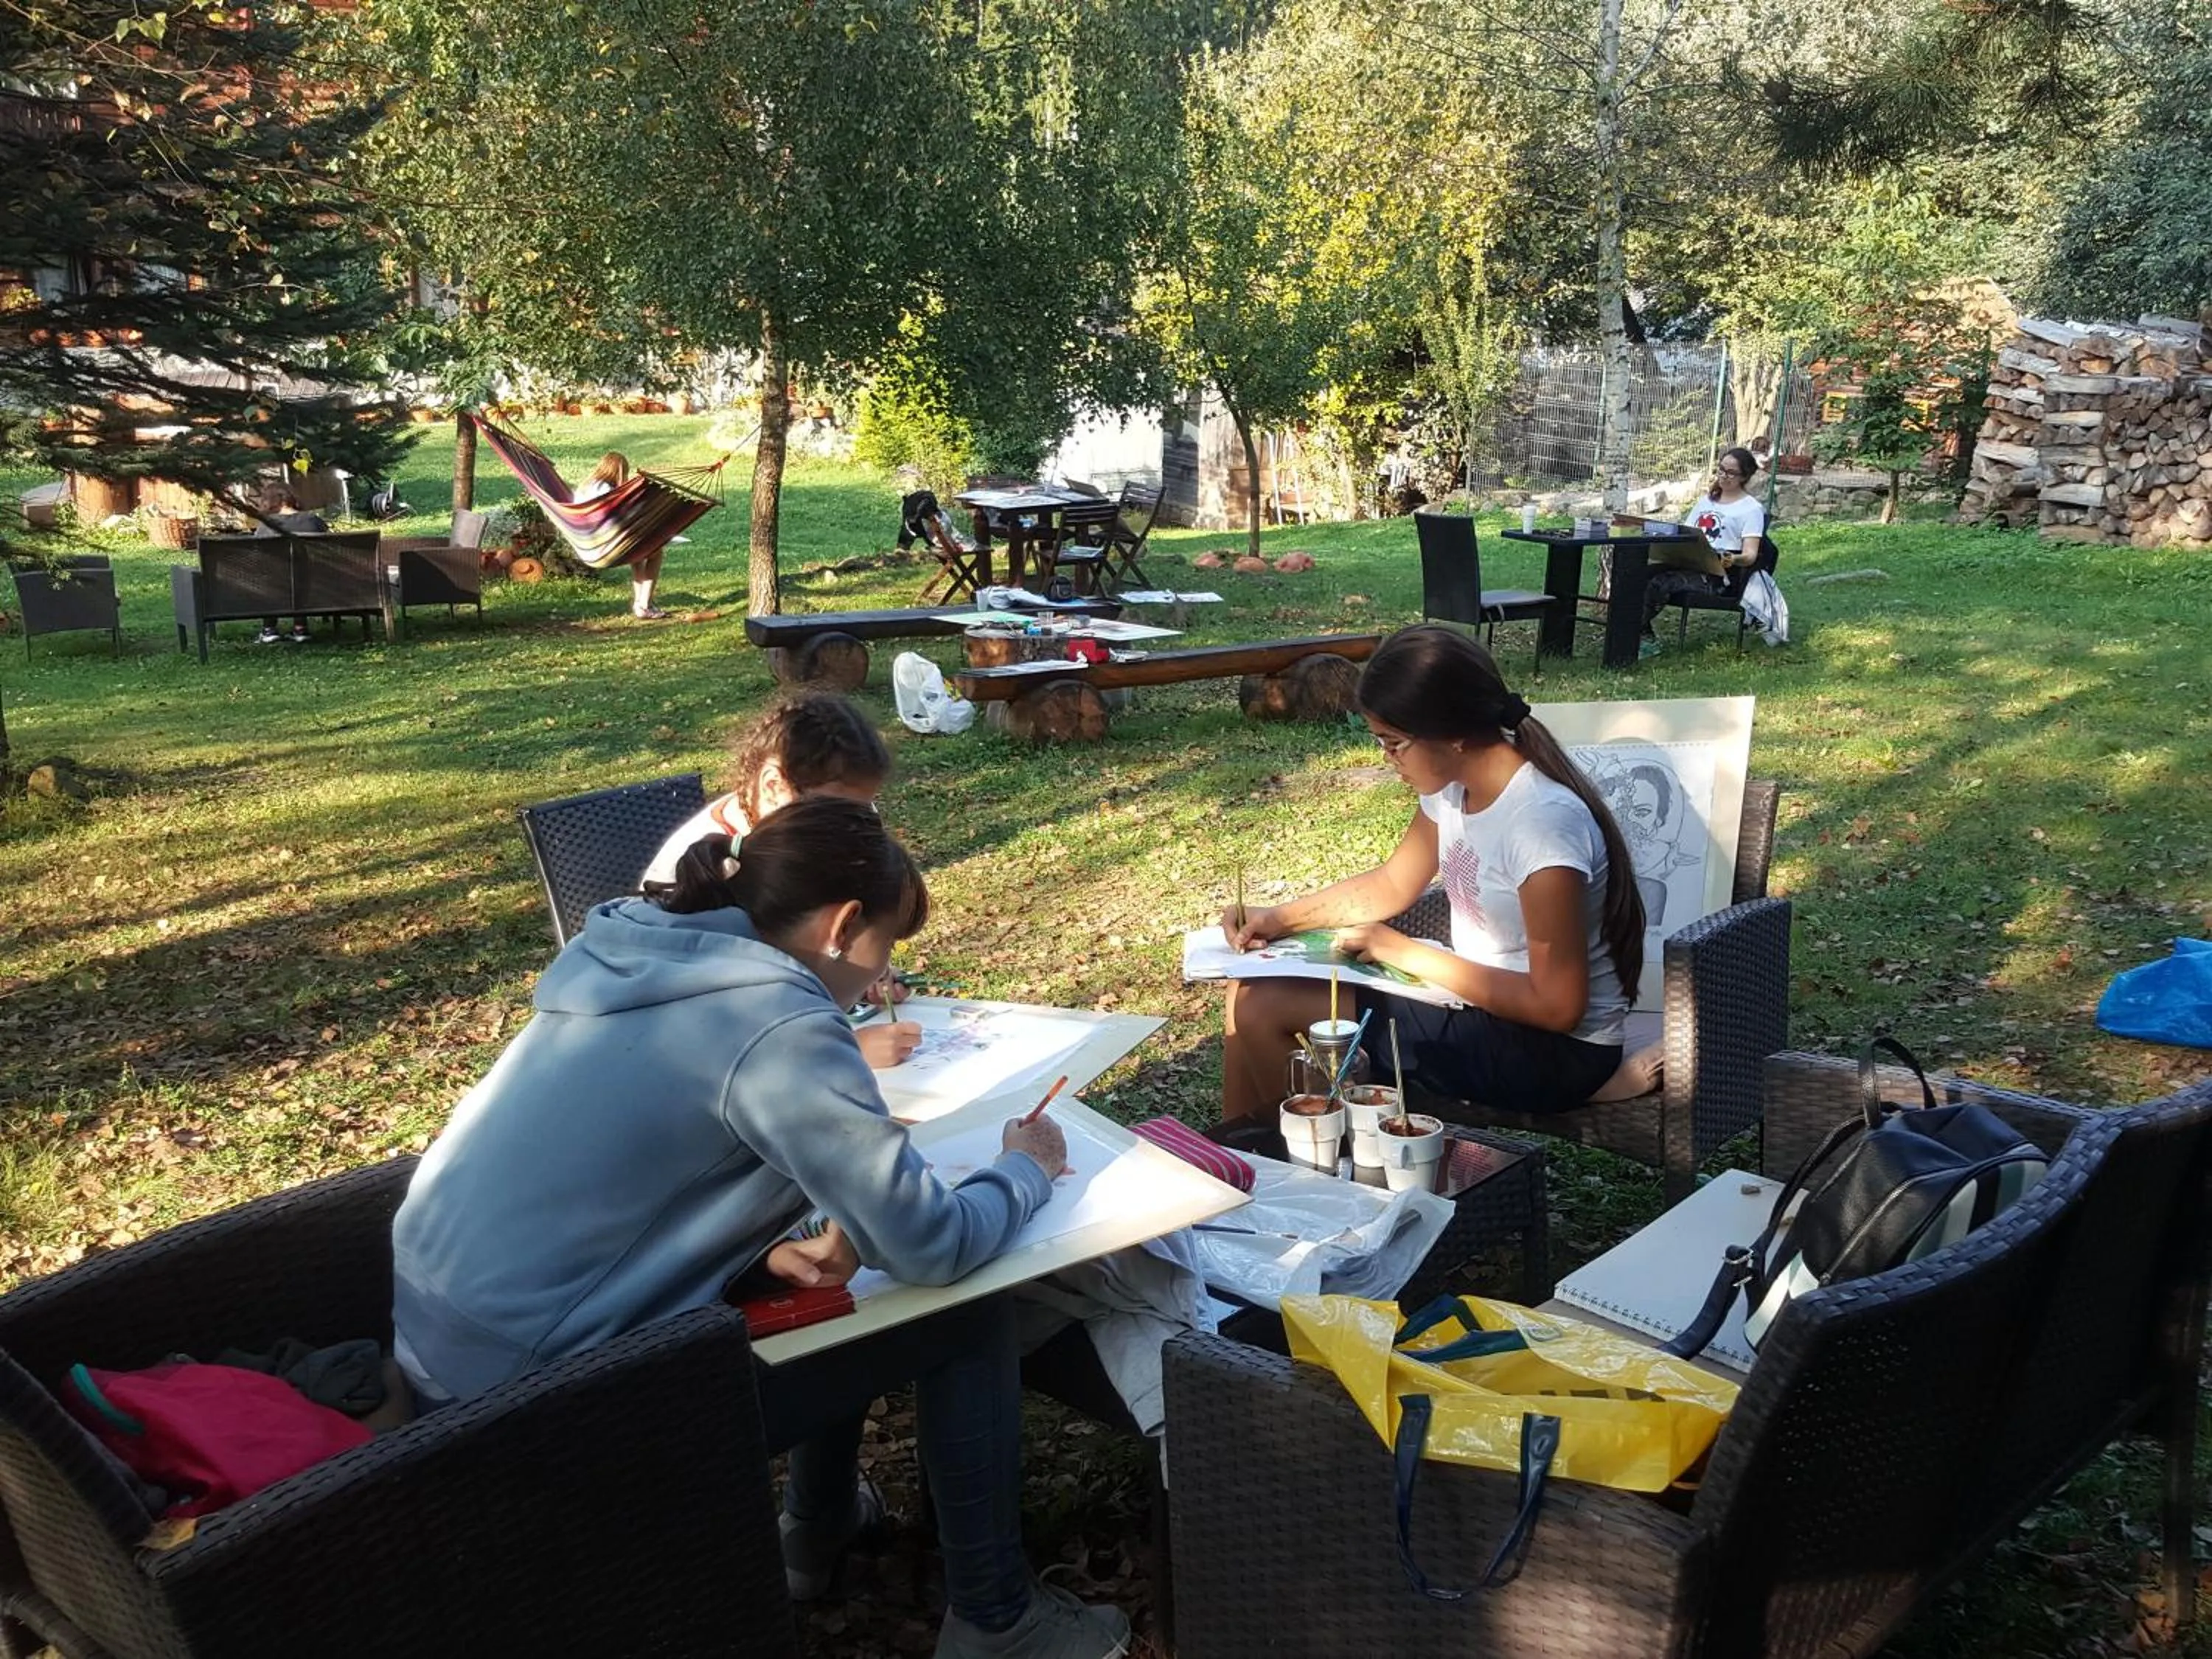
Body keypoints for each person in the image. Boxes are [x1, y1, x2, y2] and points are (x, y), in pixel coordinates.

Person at [391, 797, 1133, 1659]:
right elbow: (932, 1247)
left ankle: (814, 1533)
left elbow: (638, 1174)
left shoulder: (632, 956)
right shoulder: (776, 1023)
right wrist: (1027, 1168)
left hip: (444, 1344)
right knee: (963, 1316)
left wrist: (759, 1243)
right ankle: (999, 1622)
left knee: (829, 1288)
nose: (882, 985)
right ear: (843, 925)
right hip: (536, 1402)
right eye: (885, 955)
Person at [1217, 625, 1643, 1122]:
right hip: (1481, 1008)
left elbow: (1556, 1007)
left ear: (1454, 734)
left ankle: (1314, 1172)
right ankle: (1241, 1155)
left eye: (1395, 743)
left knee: (1266, 1008)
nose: (1386, 758)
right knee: (1243, 990)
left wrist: (1402, 951)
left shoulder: (1541, 825)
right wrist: (1280, 919)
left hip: (1555, 1051)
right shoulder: (1454, 787)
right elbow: (1392, 884)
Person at [640, 693, 918, 1068]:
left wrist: (860, 962)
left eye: (863, 811)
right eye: (836, 811)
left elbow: (824, 935)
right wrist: (842, 1049)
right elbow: (710, 1035)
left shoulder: (820, 831)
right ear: (773, 786)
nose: (850, 827)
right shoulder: (697, 873)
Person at [1641, 445, 1767, 655]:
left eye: (1731, 473)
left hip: (1717, 576)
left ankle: (1632, 636)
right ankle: (1640, 634)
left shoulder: (1751, 509)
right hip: (1688, 562)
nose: (1724, 476)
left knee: (1659, 583)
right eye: (1721, 470)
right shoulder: (1707, 501)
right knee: (1637, 575)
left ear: (1744, 477)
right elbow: (1688, 533)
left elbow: (1750, 555)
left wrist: (1730, 558)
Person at [575, 451, 669, 621]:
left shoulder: (583, 488)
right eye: (624, 472)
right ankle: (645, 605)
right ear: (618, 471)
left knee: (638, 556)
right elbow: (618, 518)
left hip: (590, 543)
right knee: (656, 552)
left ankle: (641, 603)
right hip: (609, 543)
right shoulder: (607, 490)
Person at [251, 483, 329, 643]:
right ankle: (300, 628)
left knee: (270, 576)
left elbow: (258, 556)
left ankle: (269, 629)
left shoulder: (266, 525)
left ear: (269, 501)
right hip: (315, 583)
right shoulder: (312, 520)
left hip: (274, 584)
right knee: (301, 575)